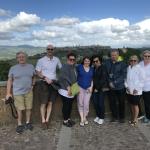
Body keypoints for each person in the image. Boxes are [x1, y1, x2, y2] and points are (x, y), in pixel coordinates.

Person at [6, 51, 35, 134]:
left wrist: (33, 84)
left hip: (29, 91)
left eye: (23, 56)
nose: (21, 58)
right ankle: (19, 124)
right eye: (19, 57)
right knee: (20, 109)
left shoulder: (31, 66)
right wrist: (8, 93)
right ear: (17, 59)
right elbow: (9, 80)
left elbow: (34, 76)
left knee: (29, 108)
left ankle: (28, 122)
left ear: (26, 58)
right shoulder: (13, 68)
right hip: (17, 92)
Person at [35, 44, 62, 129]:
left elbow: (62, 69)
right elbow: (37, 72)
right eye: (48, 49)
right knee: (43, 103)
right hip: (44, 83)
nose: (50, 50)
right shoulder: (41, 60)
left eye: (52, 49)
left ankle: (47, 120)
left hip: (53, 83)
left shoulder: (56, 59)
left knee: (50, 102)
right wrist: (45, 77)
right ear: (46, 50)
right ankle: (43, 121)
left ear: (53, 50)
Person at [104, 49, 127, 123]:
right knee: (112, 103)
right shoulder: (107, 62)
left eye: (115, 55)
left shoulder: (122, 63)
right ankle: (114, 117)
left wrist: (115, 82)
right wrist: (110, 82)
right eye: (112, 55)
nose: (113, 56)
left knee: (121, 102)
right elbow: (106, 73)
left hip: (120, 86)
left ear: (118, 55)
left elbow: (123, 75)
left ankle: (122, 117)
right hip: (111, 87)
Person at [125, 55, 145, 126]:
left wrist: (136, 89)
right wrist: (126, 86)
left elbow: (142, 80)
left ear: (137, 61)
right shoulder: (128, 68)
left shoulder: (140, 69)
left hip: (136, 91)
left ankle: (135, 119)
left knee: (135, 105)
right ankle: (133, 117)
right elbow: (126, 79)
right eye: (131, 60)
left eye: (134, 60)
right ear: (129, 61)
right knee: (131, 104)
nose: (133, 62)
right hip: (129, 90)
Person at [58, 52, 77, 127]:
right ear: (67, 59)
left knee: (69, 105)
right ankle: (65, 121)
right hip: (65, 89)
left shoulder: (73, 67)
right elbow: (62, 78)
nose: (72, 61)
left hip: (73, 89)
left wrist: (74, 89)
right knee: (66, 105)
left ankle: (68, 119)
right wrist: (68, 88)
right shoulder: (64, 67)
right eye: (70, 59)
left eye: (73, 59)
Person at [77, 56, 93, 126]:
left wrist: (91, 87)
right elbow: (76, 77)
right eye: (85, 60)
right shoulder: (79, 67)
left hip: (88, 88)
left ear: (90, 62)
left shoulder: (92, 69)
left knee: (86, 104)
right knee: (80, 103)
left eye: (88, 61)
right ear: (83, 61)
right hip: (80, 87)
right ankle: (82, 118)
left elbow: (92, 79)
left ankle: (85, 117)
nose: (87, 62)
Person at [92, 55, 108, 125]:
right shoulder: (94, 68)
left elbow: (103, 79)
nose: (95, 62)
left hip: (101, 88)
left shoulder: (103, 68)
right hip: (95, 89)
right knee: (95, 103)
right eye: (94, 61)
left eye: (97, 61)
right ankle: (98, 116)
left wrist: (97, 88)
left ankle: (102, 117)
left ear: (100, 61)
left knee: (100, 103)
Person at [139, 50, 150, 123]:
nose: (147, 57)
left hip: (149, 87)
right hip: (141, 87)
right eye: (145, 56)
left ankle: (148, 117)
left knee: (148, 103)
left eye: (149, 56)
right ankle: (145, 116)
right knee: (144, 103)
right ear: (143, 56)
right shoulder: (140, 64)